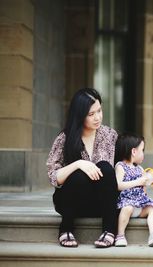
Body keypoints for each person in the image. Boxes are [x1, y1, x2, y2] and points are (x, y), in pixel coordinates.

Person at [46, 88, 119, 248]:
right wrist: (78, 164)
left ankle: (109, 230)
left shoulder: (110, 135)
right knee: (78, 174)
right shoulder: (64, 139)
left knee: (105, 168)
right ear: (79, 115)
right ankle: (65, 229)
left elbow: (120, 169)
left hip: (101, 203)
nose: (97, 117)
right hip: (73, 203)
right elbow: (53, 177)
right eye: (91, 114)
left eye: (99, 111)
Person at [113, 133, 153, 247]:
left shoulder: (140, 168)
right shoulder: (120, 166)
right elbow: (118, 185)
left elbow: (143, 185)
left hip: (140, 204)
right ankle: (120, 235)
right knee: (127, 208)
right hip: (127, 202)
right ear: (134, 151)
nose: (143, 154)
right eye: (142, 150)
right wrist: (138, 181)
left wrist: (151, 181)